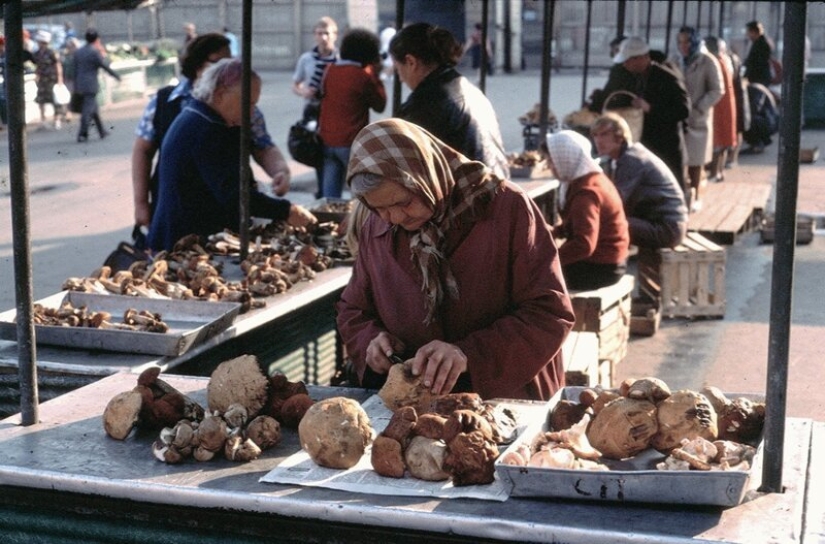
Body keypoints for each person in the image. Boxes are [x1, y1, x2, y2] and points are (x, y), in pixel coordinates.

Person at [336, 118, 575, 400]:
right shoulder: (376, 227)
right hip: (415, 403)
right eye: (380, 208)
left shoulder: (506, 208)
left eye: (404, 202)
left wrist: (467, 353)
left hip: (505, 397)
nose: (396, 217)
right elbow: (353, 309)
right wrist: (371, 341)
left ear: (425, 176)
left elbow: (549, 313)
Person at [147, 59, 316, 252]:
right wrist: (287, 210)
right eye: (247, 103)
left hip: (188, 235)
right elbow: (234, 196)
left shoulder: (203, 116)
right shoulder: (207, 128)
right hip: (183, 243)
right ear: (220, 94)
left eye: (254, 104)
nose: (251, 112)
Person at [132, 33, 290, 234]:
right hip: (184, 213)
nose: (228, 67)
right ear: (197, 65)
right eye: (219, 62)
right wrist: (141, 203)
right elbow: (142, 151)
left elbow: (263, 145)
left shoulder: (239, 102)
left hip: (226, 216)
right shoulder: (172, 104)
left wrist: (280, 170)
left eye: (231, 61)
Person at [389, 22, 509, 179]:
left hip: (468, 192)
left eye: (398, 69)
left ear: (411, 62)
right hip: (496, 185)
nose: (400, 78)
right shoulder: (471, 91)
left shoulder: (425, 104)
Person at [544, 130, 629, 291]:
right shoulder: (589, 178)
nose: (549, 166)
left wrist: (547, 260)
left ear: (566, 160)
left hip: (602, 267)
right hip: (609, 261)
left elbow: (584, 245)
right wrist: (556, 231)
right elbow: (578, 223)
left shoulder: (586, 193)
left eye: (551, 161)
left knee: (529, 279)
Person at [591, 113, 688, 249]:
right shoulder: (623, 156)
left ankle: (608, 262)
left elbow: (615, 202)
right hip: (660, 223)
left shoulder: (632, 159)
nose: (598, 140)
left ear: (620, 137)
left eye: (604, 134)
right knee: (600, 220)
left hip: (667, 229)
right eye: (595, 135)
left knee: (604, 223)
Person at [613, 36, 690, 205]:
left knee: (672, 188)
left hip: (666, 145)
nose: (625, 65)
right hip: (647, 142)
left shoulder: (667, 77)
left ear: (641, 58)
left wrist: (650, 108)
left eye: (628, 60)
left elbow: (684, 110)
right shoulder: (634, 76)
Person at [317, 29, 386, 198]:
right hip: (351, 143)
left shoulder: (329, 70)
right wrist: (376, 75)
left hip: (327, 140)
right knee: (360, 198)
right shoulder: (363, 76)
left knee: (330, 198)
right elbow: (380, 105)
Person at [674, 27, 722, 212]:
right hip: (679, 116)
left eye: (687, 41)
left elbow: (717, 90)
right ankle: (683, 195)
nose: (683, 46)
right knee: (680, 158)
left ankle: (696, 196)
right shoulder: (676, 59)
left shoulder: (707, 61)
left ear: (694, 41)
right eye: (680, 42)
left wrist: (700, 107)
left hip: (697, 118)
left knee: (696, 161)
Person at [292, 16, 339, 197]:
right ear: (315, 35)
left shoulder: (339, 58)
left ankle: (329, 189)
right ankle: (322, 190)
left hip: (333, 111)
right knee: (316, 151)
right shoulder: (306, 59)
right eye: (319, 33)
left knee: (330, 152)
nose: (323, 37)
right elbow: (295, 84)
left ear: (334, 35)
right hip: (312, 111)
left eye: (327, 33)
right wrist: (303, 91)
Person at [73, 29, 121, 143]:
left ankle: (101, 131)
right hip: (90, 85)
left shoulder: (78, 52)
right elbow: (104, 65)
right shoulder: (94, 52)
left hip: (80, 83)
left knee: (93, 108)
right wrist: (116, 76)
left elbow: (74, 69)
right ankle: (82, 133)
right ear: (96, 39)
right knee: (87, 110)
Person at [704, 36, 738, 183]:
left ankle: (714, 173)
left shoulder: (715, 62)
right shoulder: (725, 60)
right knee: (723, 141)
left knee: (717, 142)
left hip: (718, 106)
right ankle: (719, 171)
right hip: (727, 104)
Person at [32, 29, 64, 130]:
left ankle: (57, 120)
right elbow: (37, 66)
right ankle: (43, 120)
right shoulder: (37, 53)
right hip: (42, 80)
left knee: (55, 100)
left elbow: (58, 65)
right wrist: (36, 76)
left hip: (52, 79)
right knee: (41, 100)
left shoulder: (51, 52)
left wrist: (60, 79)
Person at [742, 82, 779, 155]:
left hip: (768, 122)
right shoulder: (756, 87)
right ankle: (758, 143)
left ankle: (758, 143)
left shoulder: (754, 89)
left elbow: (756, 107)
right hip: (769, 120)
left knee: (747, 120)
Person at [743, 21, 773, 87]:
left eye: (749, 32)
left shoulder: (761, 44)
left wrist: (746, 74)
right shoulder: (759, 43)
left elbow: (755, 62)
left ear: (754, 32)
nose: (747, 35)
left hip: (759, 78)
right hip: (759, 78)